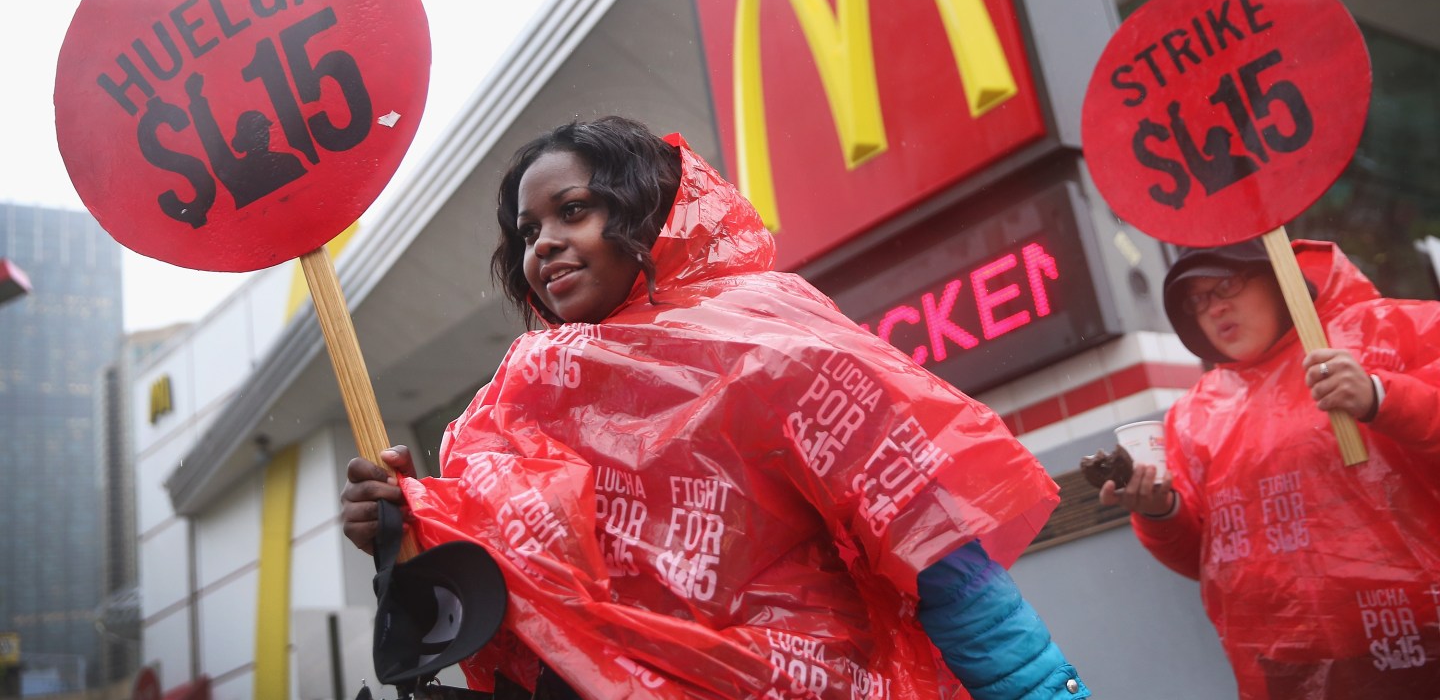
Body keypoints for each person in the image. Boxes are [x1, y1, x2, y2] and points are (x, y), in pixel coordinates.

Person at [342, 116, 1090, 700]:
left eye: (573, 210)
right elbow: (520, 602)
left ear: (648, 209)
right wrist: (405, 529)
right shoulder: (517, 399)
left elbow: (938, 554)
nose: (546, 244)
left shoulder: (766, 334)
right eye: (528, 231)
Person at [1100, 237, 1440, 698]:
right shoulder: (1194, 415)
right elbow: (1207, 558)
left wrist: (1383, 398)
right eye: (1196, 300)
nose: (1213, 308)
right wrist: (1160, 512)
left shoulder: (1396, 329)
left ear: (1279, 278)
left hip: (1423, 636)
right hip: (1286, 666)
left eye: (1227, 285)